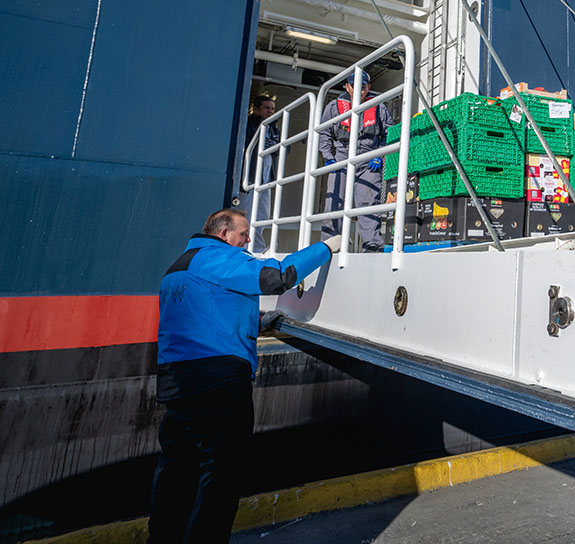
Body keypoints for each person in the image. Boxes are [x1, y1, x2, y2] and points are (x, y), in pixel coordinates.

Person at [148, 209, 340, 543]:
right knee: (220, 477)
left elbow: (204, 312)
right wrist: (326, 248)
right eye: (244, 233)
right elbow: (278, 276)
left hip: (176, 385)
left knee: (175, 473)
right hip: (218, 384)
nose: (248, 240)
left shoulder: (177, 269)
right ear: (223, 235)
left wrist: (256, 321)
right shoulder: (219, 260)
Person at [318, 72, 394, 251]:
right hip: (341, 158)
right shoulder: (334, 107)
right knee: (334, 202)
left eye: (364, 87)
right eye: (356, 86)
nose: (360, 90)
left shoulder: (379, 107)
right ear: (347, 87)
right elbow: (324, 133)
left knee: (368, 204)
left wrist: (379, 154)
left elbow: (388, 133)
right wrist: (328, 158)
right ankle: (330, 246)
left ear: (369, 87)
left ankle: (372, 245)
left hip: (368, 160)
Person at [237, 94, 279, 251]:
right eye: (266, 108)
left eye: (273, 109)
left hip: (266, 179)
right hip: (250, 177)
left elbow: (287, 149)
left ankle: (256, 249)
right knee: (244, 214)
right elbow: (244, 143)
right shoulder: (248, 125)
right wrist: (261, 142)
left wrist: (275, 144)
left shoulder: (274, 128)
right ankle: (241, 247)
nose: (270, 112)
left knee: (262, 215)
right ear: (255, 109)